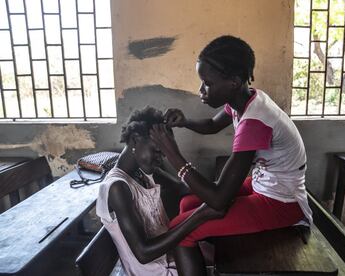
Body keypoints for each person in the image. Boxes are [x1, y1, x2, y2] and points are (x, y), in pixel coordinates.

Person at [150, 35, 313, 276]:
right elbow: (211, 125)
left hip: (283, 203)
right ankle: (213, 261)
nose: (201, 90)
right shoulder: (245, 99)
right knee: (187, 204)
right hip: (267, 185)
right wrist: (185, 122)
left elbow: (218, 199)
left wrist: (172, 153)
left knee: (180, 229)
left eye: (207, 83)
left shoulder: (255, 121)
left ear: (234, 81)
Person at [95, 106, 224, 276]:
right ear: (135, 139)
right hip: (154, 271)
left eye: (163, 153)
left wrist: (222, 190)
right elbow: (143, 253)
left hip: (170, 257)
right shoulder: (117, 187)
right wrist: (199, 216)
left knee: (223, 248)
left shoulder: (143, 172)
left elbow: (185, 189)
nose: (159, 158)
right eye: (157, 151)